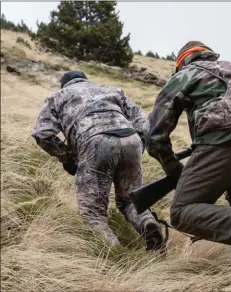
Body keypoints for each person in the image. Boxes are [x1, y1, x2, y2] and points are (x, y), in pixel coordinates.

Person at [143, 41, 231, 269]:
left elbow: (153, 136)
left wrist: (173, 169)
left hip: (223, 139)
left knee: (182, 212)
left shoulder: (188, 72)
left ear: (181, 63)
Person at [32, 70, 165, 252]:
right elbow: (143, 123)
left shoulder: (58, 97)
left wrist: (67, 157)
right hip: (130, 139)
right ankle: (148, 224)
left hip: (95, 141)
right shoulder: (112, 90)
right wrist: (137, 148)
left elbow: (42, 134)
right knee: (129, 200)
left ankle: (118, 257)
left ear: (65, 85)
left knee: (92, 213)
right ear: (86, 81)